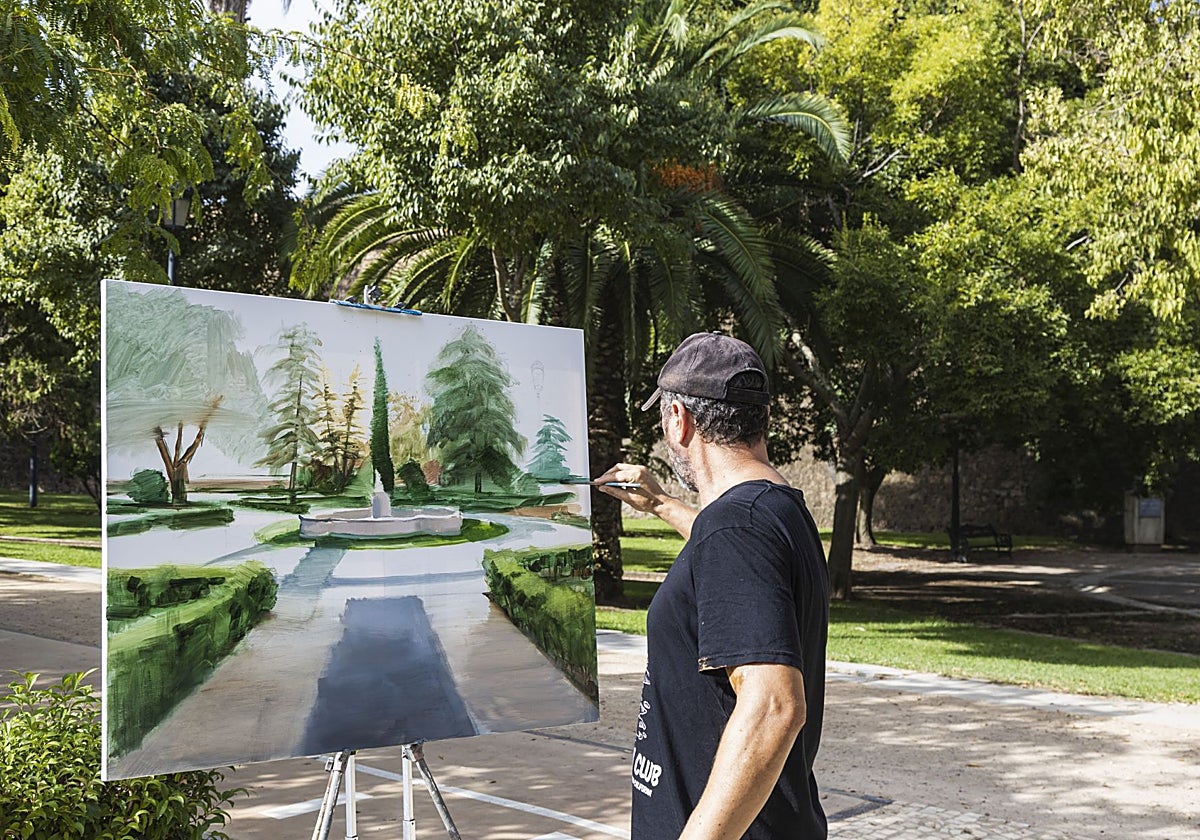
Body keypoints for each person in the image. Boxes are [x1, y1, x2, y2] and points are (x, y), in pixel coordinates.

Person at [594, 332, 830, 840]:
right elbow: (727, 562)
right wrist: (660, 505)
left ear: (679, 419)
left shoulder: (736, 527)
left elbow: (774, 705)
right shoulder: (775, 510)